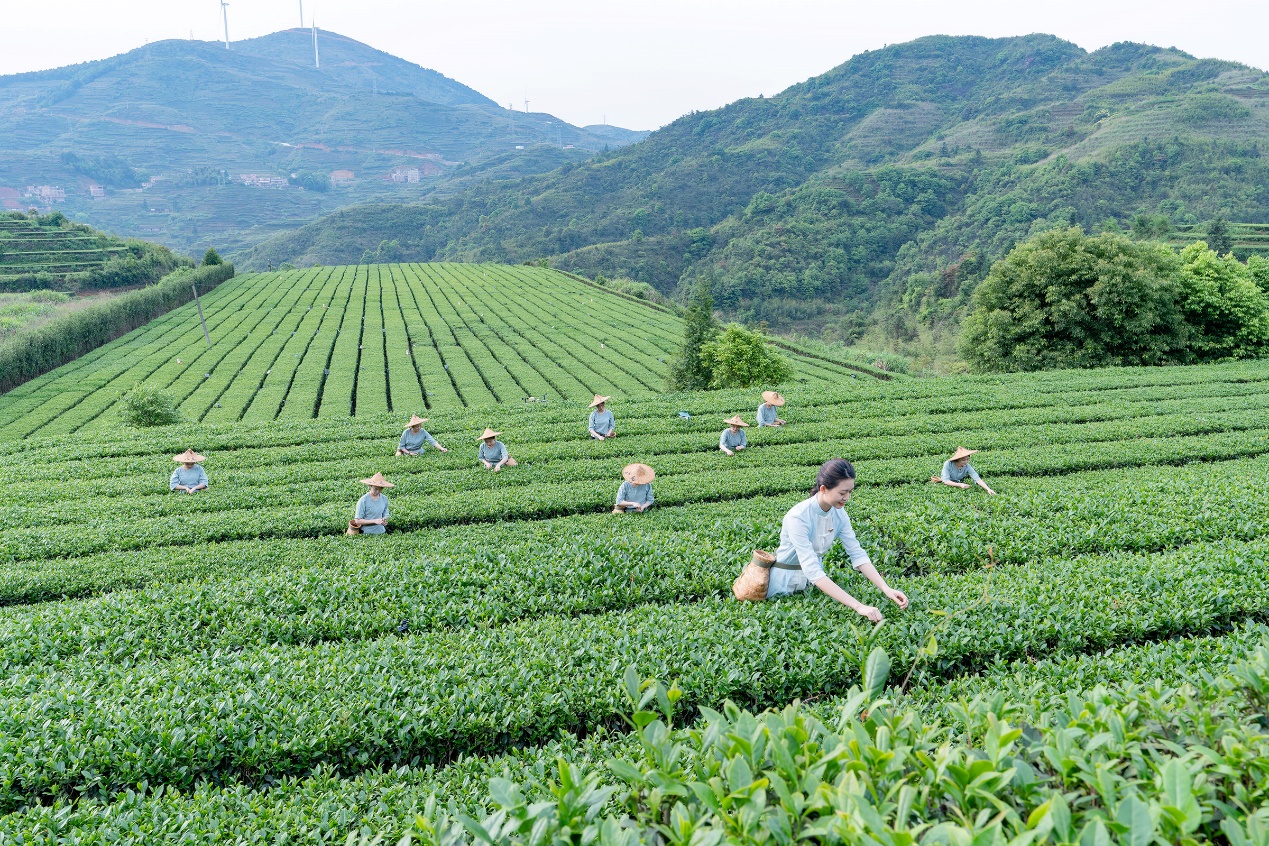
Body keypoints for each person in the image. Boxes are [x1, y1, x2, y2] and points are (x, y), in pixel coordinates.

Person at [769, 458, 909, 622]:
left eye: (850, 492)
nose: (847, 497)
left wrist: (886, 588)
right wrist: (859, 606)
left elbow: (857, 553)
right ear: (823, 489)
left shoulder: (839, 514)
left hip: (813, 585)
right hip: (783, 584)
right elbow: (812, 569)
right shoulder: (798, 517)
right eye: (842, 493)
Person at [932, 447, 996, 495]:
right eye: (963, 460)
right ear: (957, 460)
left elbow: (977, 478)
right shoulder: (948, 464)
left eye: (968, 459)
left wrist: (988, 489)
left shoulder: (967, 466)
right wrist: (960, 485)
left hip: (957, 482)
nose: (966, 462)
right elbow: (946, 481)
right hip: (948, 484)